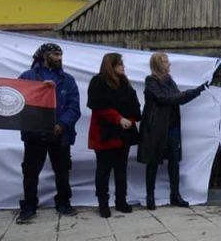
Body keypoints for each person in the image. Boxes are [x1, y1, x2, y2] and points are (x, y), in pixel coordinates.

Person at [16, 43, 81, 223]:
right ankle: (29, 206)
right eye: (54, 54)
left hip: (60, 134)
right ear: (44, 56)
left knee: (62, 170)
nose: (59, 58)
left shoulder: (68, 80)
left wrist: (61, 125)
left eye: (60, 54)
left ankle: (63, 202)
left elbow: (74, 107)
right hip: (34, 134)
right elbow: (18, 102)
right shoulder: (27, 77)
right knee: (30, 172)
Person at [137, 53, 206, 210]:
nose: (169, 64)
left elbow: (178, 98)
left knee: (174, 162)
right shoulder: (151, 81)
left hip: (172, 127)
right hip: (156, 128)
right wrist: (189, 93)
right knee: (153, 161)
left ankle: (175, 195)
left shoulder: (169, 80)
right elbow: (165, 98)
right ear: (157, 64)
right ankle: (150, 196)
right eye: (165, 61)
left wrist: (197, 91)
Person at [87, 53, 141, 218]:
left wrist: (129, 120)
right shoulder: (98, 82)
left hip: (122, 136)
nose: (123, 67)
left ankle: (121, 201)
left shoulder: (125, 84)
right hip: (105, 134)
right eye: (119, 65)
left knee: (121, 170)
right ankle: (103, 203)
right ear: (111, 66)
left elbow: (134, 107)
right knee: (103, 171)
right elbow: (98, 106)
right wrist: (118, 119)